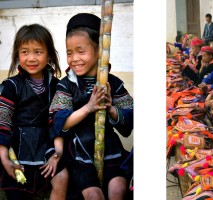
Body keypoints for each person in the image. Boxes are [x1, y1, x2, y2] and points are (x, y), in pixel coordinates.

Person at [48, 13, 133, 200]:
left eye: (81, 51)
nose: (74, 58)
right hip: (78, 154)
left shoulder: (113, 83)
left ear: (100, 50)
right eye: (69, 53)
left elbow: (128, 123)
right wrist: (89, 107)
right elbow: (59, 122)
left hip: (111, 151)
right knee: (94, 195)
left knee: (119, 189)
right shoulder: (66, 85)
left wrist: (111, 109)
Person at [0, 24, 68, 200]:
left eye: (38, 52)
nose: (31, 58)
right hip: (18, 149)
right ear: (17, 54)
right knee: (17, 190)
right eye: (25, 52)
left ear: (49, 55)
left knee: (62, 178)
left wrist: (57, 153)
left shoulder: (57, 86)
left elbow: (58, 119)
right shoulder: (11, 86)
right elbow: (3, 121)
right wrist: (4, 157)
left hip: (47, 147)